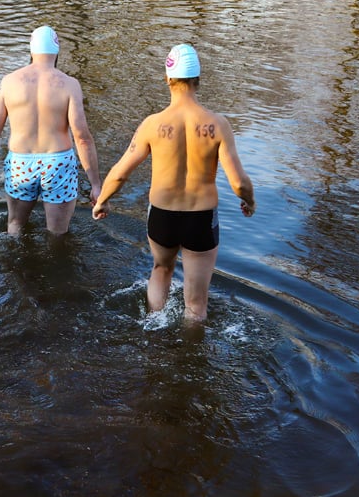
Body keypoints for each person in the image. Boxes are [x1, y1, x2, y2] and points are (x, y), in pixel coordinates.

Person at [92, 43, 256, 322]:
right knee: (196, 305)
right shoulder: (217, 124)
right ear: (198, 80)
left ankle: (154, 327)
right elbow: (238, 182)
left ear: (167, 79)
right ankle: (190, 354)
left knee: (161, 269)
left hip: (162, 215)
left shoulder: (152, 124)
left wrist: (102, 200)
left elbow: (120, 172)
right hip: (201, 218)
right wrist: (249, 200)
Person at [0, 26, 104, 235]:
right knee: (58, 235)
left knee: (15, 226)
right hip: (58, 163)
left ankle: (14, 263)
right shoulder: (69, 84)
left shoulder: (9, 82)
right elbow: (82, 138)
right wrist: (95, 185)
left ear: (31, 50)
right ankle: (56, 264)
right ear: (56, 51)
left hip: (21, 163)